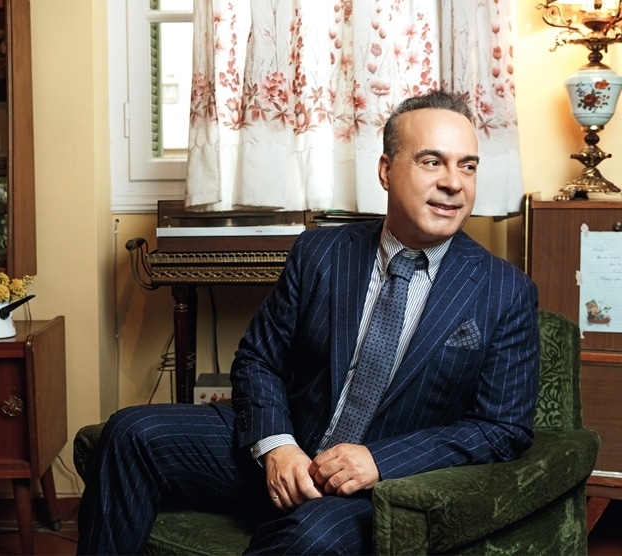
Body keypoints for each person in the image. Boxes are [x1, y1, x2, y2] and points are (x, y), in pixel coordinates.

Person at [77, 90, 540, 555]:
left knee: (308, 539)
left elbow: (501, 428)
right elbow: (258, 359)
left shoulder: (505, 291)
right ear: (386, 170)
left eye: (467, 166)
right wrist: (276, 445)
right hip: (289, 447)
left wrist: (380, 461)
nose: (454, 183)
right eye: (432, 162)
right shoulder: (321, 252)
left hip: (378, 487)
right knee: (131, 433)